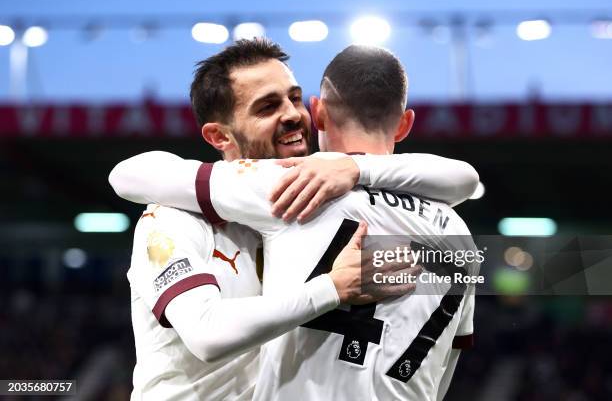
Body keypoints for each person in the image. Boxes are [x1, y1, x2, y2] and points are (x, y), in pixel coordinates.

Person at [110, 40, 480, 400]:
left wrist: (354, 166)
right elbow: (206, 334)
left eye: (295, 97)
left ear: (317, 110)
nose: (291, 114)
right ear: (219, 135)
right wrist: (332, 288)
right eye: (268, 107)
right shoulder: (171, 218)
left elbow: (463, 179)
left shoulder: (306, 199)